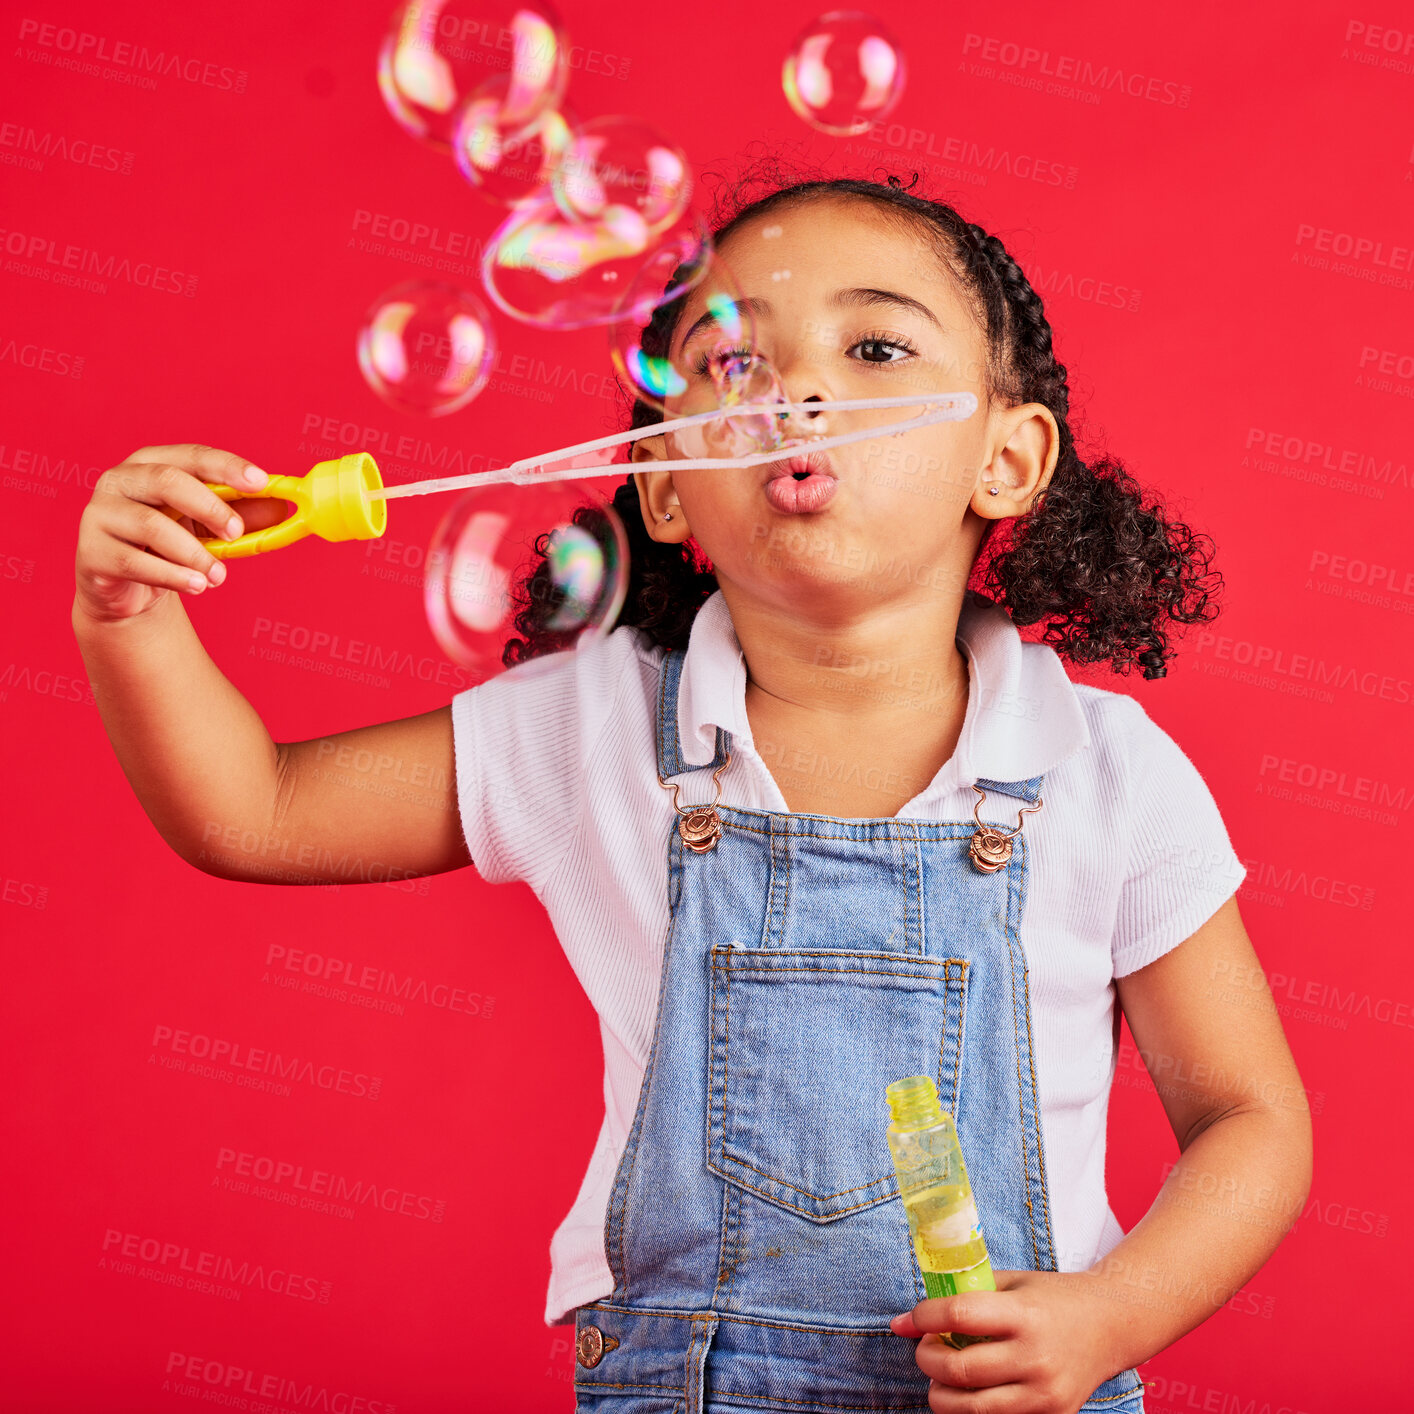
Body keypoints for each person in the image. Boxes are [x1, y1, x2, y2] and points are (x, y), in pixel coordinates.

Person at [72, 170, 1313, 1414]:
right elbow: (257, 815)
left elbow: (1249, 1117)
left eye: (873, 345)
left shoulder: (1105, 770)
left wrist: (1110, 1314)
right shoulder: (593, 723)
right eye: (731, 364)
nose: (798, 396)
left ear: (1005, 456)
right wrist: (129, 619)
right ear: (665, 484)